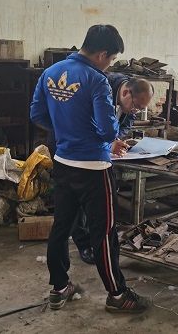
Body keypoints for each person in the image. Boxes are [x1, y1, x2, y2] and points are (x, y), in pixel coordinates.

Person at [30, 24, 150, 313]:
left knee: (61, 228)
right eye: (111, 59)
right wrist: (95, 136)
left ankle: (59, 288)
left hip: (63, 162)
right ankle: (117, 294)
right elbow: (108, 131)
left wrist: (67, 131)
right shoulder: (97, 79)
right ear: (102, 54)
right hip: (94, 167)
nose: (110, 65)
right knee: (104, 233)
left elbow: (37, 114)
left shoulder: (50, 72)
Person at [72, 74, 155, 265]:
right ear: (125, 93)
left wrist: (117, 138)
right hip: (78, 151)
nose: (135, 111)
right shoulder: (99, 89)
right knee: (80, 198)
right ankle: (83, 244)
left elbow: (126, 122)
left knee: (100, 198)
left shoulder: (131, 96)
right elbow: (84, 124)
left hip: (101, 153)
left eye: (140, 109)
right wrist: (108, 143)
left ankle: (100, 238)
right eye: (136, 106)